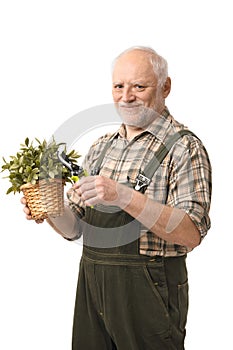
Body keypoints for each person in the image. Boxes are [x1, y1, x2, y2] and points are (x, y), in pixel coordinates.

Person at [21, 46, 212, 350]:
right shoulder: (101, 147)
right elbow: (77, 229)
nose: (126, 96)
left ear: (165, 87)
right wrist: (51, 206)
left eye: (139, 86)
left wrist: (123, 195)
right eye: (119, 86)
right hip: (93, 288)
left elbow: (191, 233)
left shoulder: (184, 148)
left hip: (150, 294)